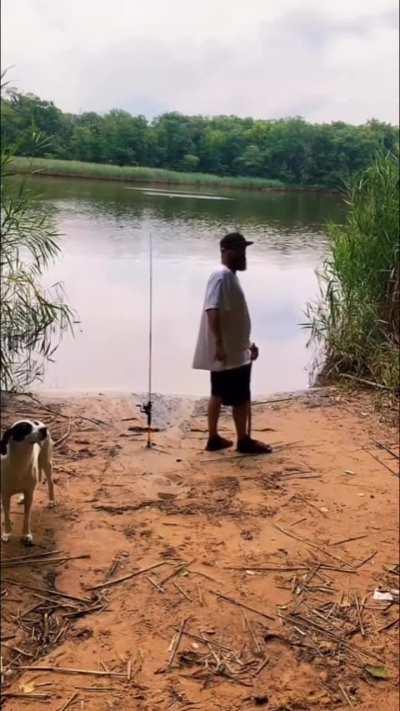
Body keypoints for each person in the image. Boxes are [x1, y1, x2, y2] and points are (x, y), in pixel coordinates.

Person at [193, 232, 272, 454]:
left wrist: (247, 345)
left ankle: (215, 438)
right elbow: (212, 309)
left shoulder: (228, 276)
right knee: (237, 396)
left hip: (235, 349)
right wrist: (218, 344)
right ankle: (242, 440)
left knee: (221, 393)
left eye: (244, 250)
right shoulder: (221, 276)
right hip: (227, 351)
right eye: (239, 250)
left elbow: (233, 318)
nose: (243, 254)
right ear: (226, 251)